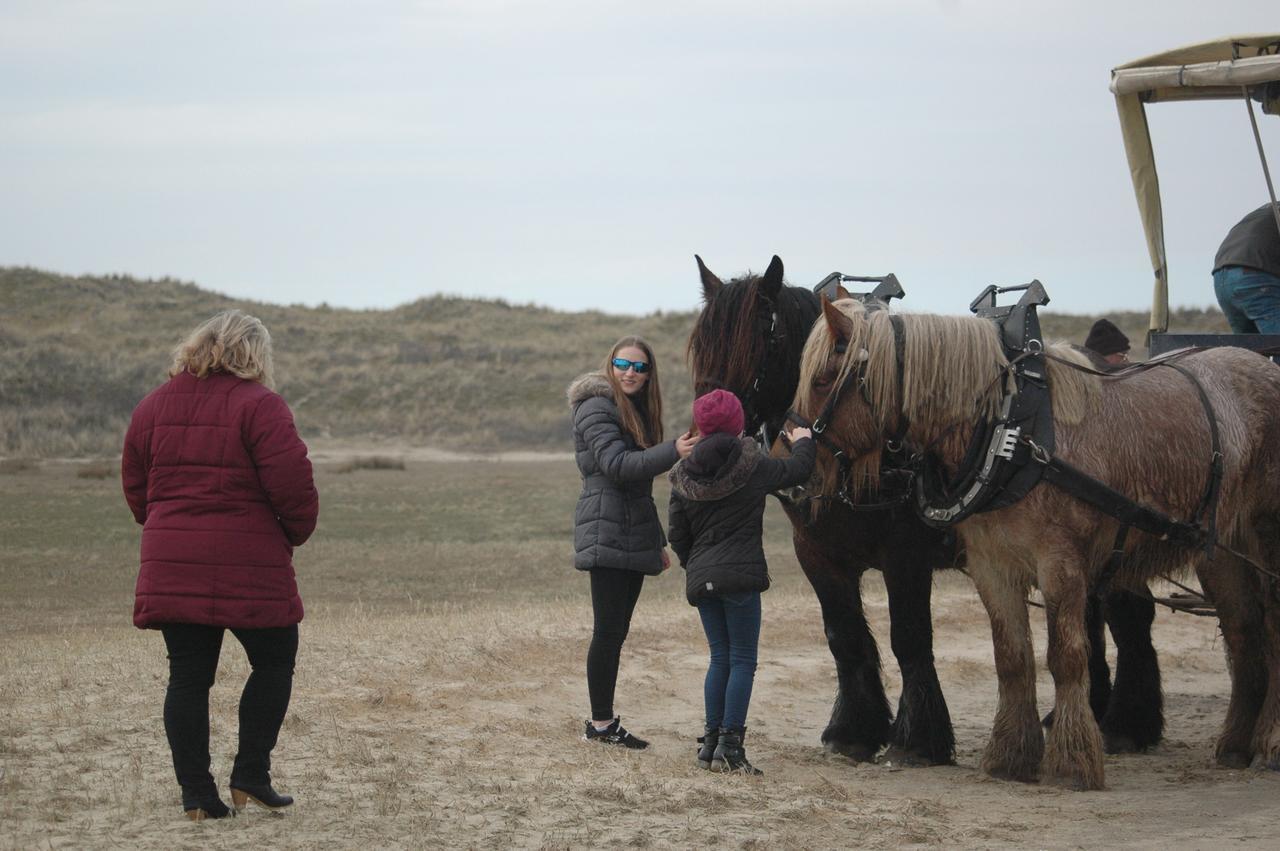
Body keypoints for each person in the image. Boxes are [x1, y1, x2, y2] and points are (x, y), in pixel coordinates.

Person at [122, 310, 318, 821]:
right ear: (255, 353)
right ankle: (251, 774)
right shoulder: (262, 406)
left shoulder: (151, 407)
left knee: (187, 676)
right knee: (275, 659)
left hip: (174, 562)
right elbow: (293, 487)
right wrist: (292, 533)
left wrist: (165, 525)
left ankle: (198, 797)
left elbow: (137, 489)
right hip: (250, 563)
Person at [667, 389, 815, 775]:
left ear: (701, 424)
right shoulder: (752, 463)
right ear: (738, 425)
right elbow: (796, 472)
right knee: (743, 660)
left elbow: (678, 536)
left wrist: (695, 565)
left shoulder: (682, 474)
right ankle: (731, 749)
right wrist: (804, 443)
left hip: (702, 580)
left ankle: (711, 744)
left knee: (720, 658)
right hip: (741, 579)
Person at [567, 336, 697, 749]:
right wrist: (673, 450)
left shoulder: (635, 412)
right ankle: (600, 726)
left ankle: (603, 723)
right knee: (607, 631)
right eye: (624, 363)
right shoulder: (596, 407)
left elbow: (639, 490)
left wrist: (655, 541)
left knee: (616, 631)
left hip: (630, 530)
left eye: (640, 368)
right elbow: (618, 467)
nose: (631, 373)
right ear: (611, 364)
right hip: (605, 529)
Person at [1212, 201, 1280, 334]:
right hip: (1255, 276)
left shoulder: (1267, 209)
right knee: (1276, 345)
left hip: (1221, 278)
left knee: (1248, 349)